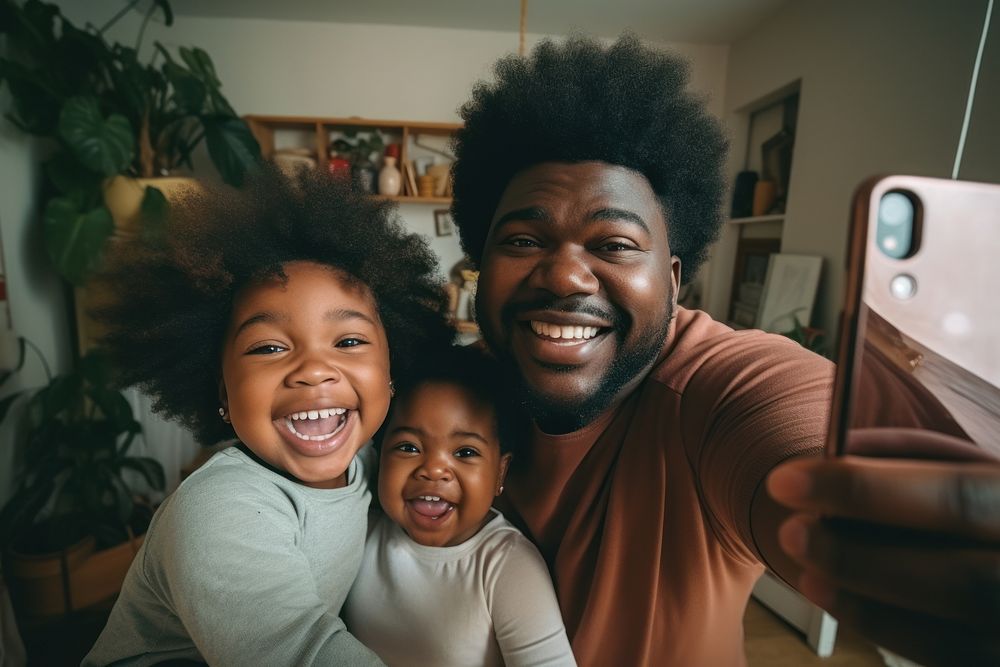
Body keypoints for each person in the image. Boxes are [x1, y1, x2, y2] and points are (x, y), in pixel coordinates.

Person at [449, 34, 1000, 666]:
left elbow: (797, 437)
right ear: (480, 264)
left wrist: (902, 536)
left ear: (675, 281)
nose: (565, 276)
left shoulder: (715, 385)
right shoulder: (452, 386)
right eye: (522, 240)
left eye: (615, 244)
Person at [84, 169, 453, 666]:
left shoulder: (367, 456)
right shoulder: (219, 510)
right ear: (223, 392)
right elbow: (305, 652)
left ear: (391, 370)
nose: (314, 371)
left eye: (348, 341)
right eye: (269, 347)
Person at [344, 345, 576, 666]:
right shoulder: (359, 534)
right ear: (379, 454)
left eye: (465, 452)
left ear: (500, 472)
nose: (433, 470)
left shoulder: (505, 564)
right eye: (408, 447)